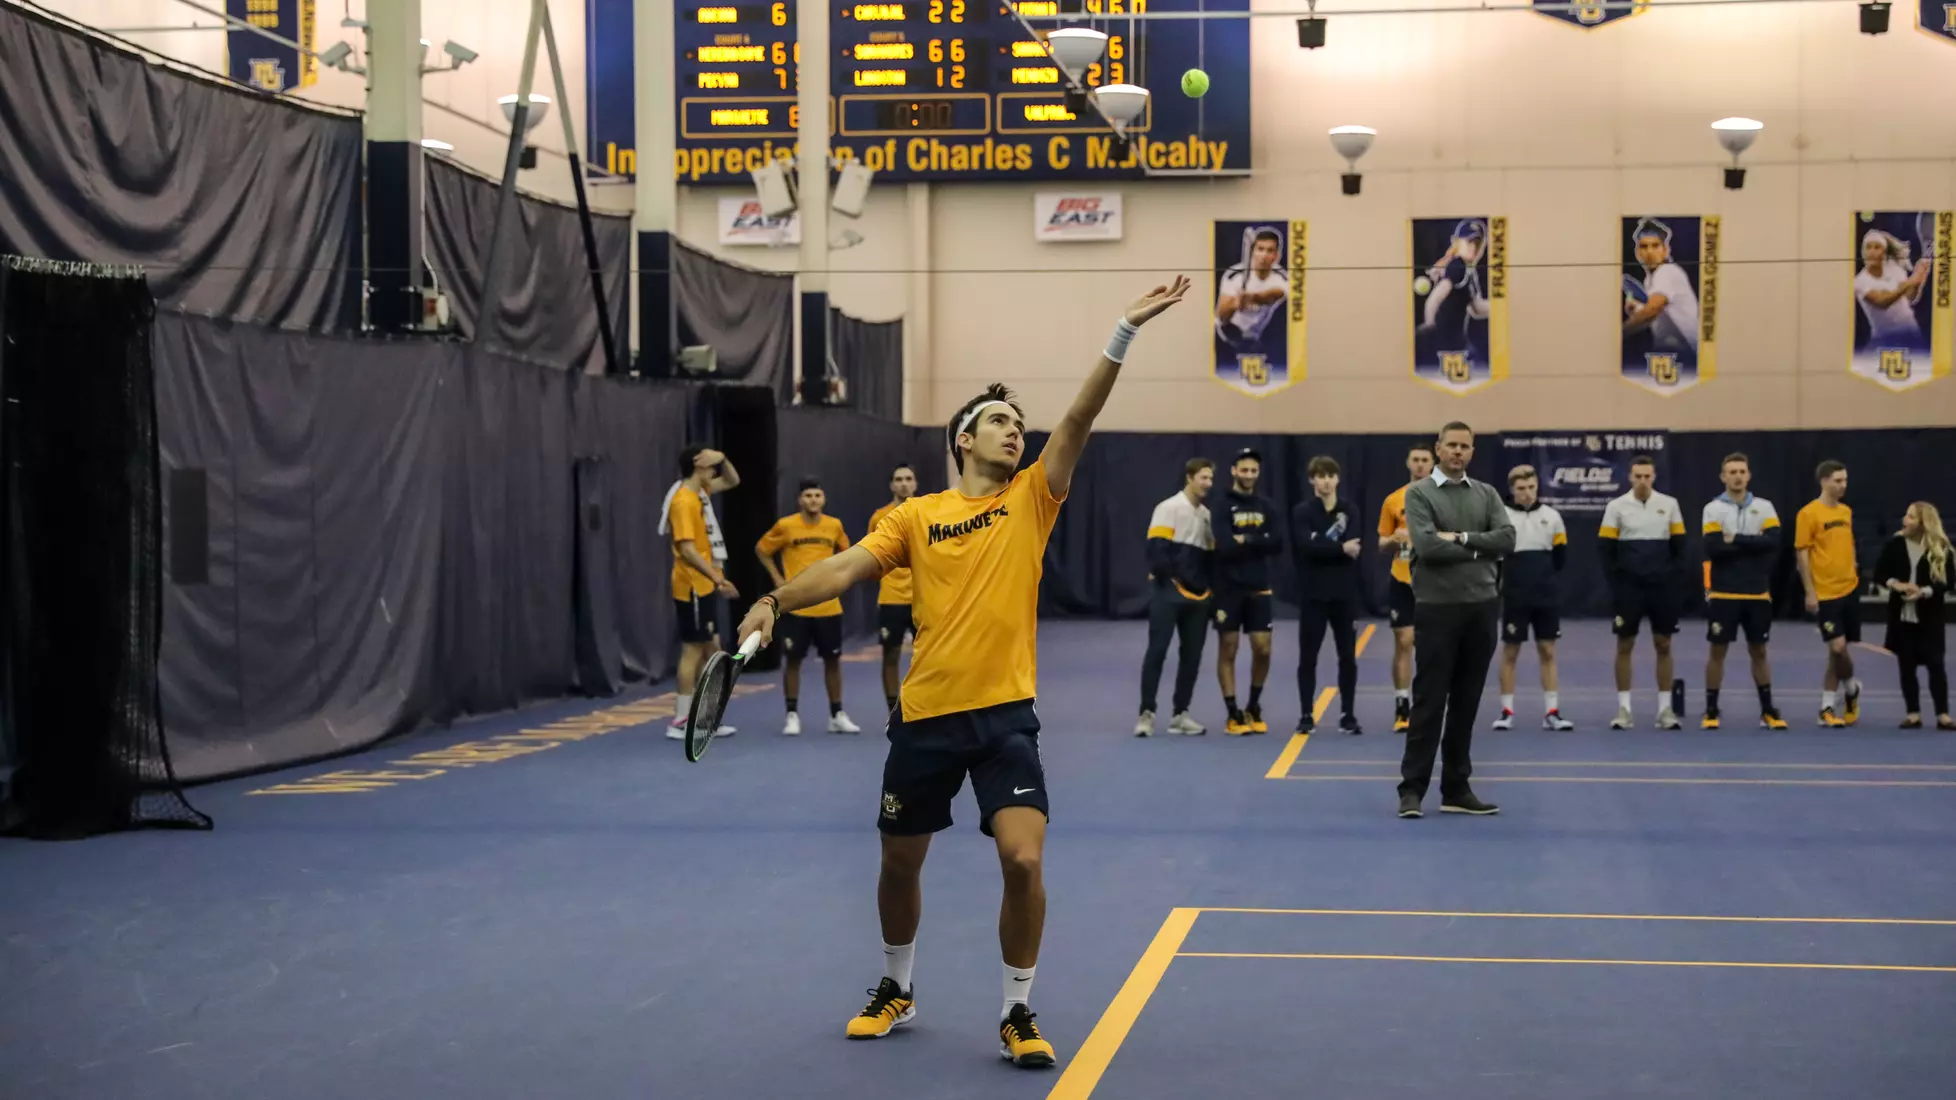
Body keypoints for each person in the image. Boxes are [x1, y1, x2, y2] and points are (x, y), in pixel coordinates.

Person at [732, 276, 1190, 1068]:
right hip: (925, 718)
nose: (1016, 432)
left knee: (1022, 857)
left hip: (1005, 716)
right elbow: (842, 570)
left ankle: (1017, 1009)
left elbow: (1078, 418)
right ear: (963, 440)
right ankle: (895, 984)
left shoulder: (1033, 499)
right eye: (999, 423)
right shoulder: (915, 516)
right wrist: (774, 599)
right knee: (900, 860)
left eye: (1019, 423)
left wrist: (1124, 328)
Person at [1397, 421, 1513, 819]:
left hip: (1482, 607)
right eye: (1452, 445)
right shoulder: (1418, 494)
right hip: (1437, 608)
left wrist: (1461, 539)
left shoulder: (1487, 493)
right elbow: (1428, 547)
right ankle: (1411, 789)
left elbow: (1508, 539)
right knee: (1430, 701)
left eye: (1465, 446)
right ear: (1438, 448)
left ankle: (1456, 788)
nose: (1458, 452)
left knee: (1466, 702)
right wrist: (1482, 547)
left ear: (1472, 451)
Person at [756, 478, 860, 736]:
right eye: (808, 496)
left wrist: (840, 580)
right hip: (797, 607)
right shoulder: (786, 526)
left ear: (823, 499)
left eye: (817, 495)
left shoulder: (834, 526)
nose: (813, 500)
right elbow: (762, 549)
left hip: (828, 606)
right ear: (800, 500)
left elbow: (848, 554)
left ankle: (836, 714)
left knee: (832, 660)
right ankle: (792, 714)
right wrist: (778, 580)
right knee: (792, 661)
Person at [1597, 456, 1686, 730]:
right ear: (1630, 477)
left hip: (1661, 589)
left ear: (1654, 477)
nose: (1643, 481)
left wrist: (1669, 582)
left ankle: (1665, 710)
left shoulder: (1669, 505)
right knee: (1625, 645)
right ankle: (1624, 709)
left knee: (1664, 645)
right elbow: (1606, 551)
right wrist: (1619, 585)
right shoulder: (1616, 507)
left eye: (1647, 476)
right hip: (1629, 590)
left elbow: (1680, 549)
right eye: (1638, 476)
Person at [1701, 453, 1789, 730]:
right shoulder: (1713, 509)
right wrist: (1754, 543)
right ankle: (1711, 710)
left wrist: (1735, 539)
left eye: (1741, 471)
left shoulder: (1764, 507)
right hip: (1724, 592)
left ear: (1748, 475)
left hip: (1757, 593)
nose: (1737, 476)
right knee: (1718, 651)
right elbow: (1714, 547)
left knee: (1759, 651)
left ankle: (1767, 710)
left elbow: (1774, 542)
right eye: (1732, 472)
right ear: (1723, 477)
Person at [661, 444, 741, 741]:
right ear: (698, 466)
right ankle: (681, 720)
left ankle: (705, 717)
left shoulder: (701, 494)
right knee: (693, 650)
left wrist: (724, 457)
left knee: (713, 651)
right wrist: (718, 579)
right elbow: (687, 549)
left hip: (704, 584)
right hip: (692, 585)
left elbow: (733, 480)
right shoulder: (684, 501)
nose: (715, 470)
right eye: (710, 465)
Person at [1136, 458, 1216, 737]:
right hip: (1168, 594)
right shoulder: (1168, 508)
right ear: (1190, 477)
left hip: (1199, 598)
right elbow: (1157, 551)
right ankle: (1146, 714)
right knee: (1157, 651)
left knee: (1192, 657)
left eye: (1210, 479)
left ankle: (1180, 714)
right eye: (1203, 477)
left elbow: (1208, 557)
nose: (1207, 483)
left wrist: (1205, 591)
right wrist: (1171, 580)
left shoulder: (1206, 515)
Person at [1493, 466, 1575, 731]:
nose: (1527, 493)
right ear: (1512, 490)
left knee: (1548, 651)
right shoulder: (1500, 517)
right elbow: (1493, 557)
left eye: (1531, 488)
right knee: (1510, 652)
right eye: (1521, 489)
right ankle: (1507, 711)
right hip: (1515, 596)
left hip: (1545, 596)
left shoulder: (1552, 517)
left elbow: (1560, 558)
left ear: (1537, 487)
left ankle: (1552, 712)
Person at [1292, 456, 1364, 735]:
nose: (1325, 481)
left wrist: (1320, 544)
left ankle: (1348, 714)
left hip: (1345, 595)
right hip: (1313, 595)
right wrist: (1338, 548)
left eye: (1330, 475)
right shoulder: (1302, 511)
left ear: (1338, 479)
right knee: (1308, 656)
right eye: (1319, 476)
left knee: (1347, 655)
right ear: (1312, 480)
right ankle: (1306, 714)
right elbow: (1304, 547)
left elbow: (1355, 546)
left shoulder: (1350, 510)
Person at [1211, 448, 1282, 735]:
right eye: (1244, 470)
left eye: (1254, 470)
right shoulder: (1220, 505)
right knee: (1229, 647)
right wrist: (1258, 539)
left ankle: (1253, 705)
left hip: (1259, 587)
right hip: (1227, 588)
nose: (1249, 475)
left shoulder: (1267, 506)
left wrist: (1245, 538)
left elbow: (1277, 543)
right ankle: (1232, 712)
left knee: (1262, 648)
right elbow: (1224, 545)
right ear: (1234, 471)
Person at [1795, 461, 1862, 727]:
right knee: (1837, 646)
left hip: (1850, 588)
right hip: (1825, 592)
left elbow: (1850, 543)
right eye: (1837, 480)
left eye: (1845, 480)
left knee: (1839, 652)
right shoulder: (1808, 514)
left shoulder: (1846, 512)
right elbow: (1802, 553)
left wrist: (1853, 565)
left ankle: (1838, 699)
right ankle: (1843, 693)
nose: (1842, 485)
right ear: (1823, 481)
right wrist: (1810, 591)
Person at [1874, 501, 1953, 728]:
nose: (1904, 520)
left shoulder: (1941, 549)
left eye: (1910, 517)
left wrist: (1924, 592)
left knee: (1935, 665)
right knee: (1906, 665)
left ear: (1923, 523)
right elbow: (1880, 573)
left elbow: (1947, 582)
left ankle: (1943, 714)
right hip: (1902, 617)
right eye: (1906, 516)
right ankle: (1913, 712)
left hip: (1930, 618)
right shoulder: (1896, 544)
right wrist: (1895, 585)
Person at [1377, 444, 1437, 732]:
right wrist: (1395, 539)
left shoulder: (1444, 497)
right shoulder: (1393, 500)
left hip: (1435, 581)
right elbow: (1381, 543)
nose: (1420, 465)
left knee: (1433, 646)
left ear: (1433, 463)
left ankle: (1430, 705)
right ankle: (1402, 706)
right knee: (1404, 641)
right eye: (1416, 460)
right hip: (1402, 579)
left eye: (1425, 460)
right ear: (1408, 463)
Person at [869, 464, 920, 716]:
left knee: (929, 658)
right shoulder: (879, 517)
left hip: (923, 599)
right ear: (892, 485)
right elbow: (871, 553)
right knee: (891, 656)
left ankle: (925, 710)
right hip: (891, 599)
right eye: (898, 479)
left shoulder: (927, 512)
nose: (903, 483)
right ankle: (893, 712)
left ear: (915, 484)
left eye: (908, 479)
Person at [1623, 217, 1701, 353]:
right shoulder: (1650, 279)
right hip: (1671, 354)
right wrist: (1638, 309)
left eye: (1655, 246)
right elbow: (1657, 312)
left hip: (1689, 354)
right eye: (1644, 246)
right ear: (1637, 252)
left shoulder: (1667, 271)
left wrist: (1619, 334)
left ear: (1665, 250)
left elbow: (1652, 310)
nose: (1650, 252)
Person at [1214, 228, 1288, 352]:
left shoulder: (1282, 277)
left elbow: (1274, 295)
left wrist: (1251, 297)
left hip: (1256, 334)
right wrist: (1235, 304)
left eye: (1270, 250)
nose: (1264, 255)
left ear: (1276, 255)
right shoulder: (1234, 275)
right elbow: (1222, 317)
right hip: (1227, 334)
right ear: (1252, 251)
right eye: (1260, 249)